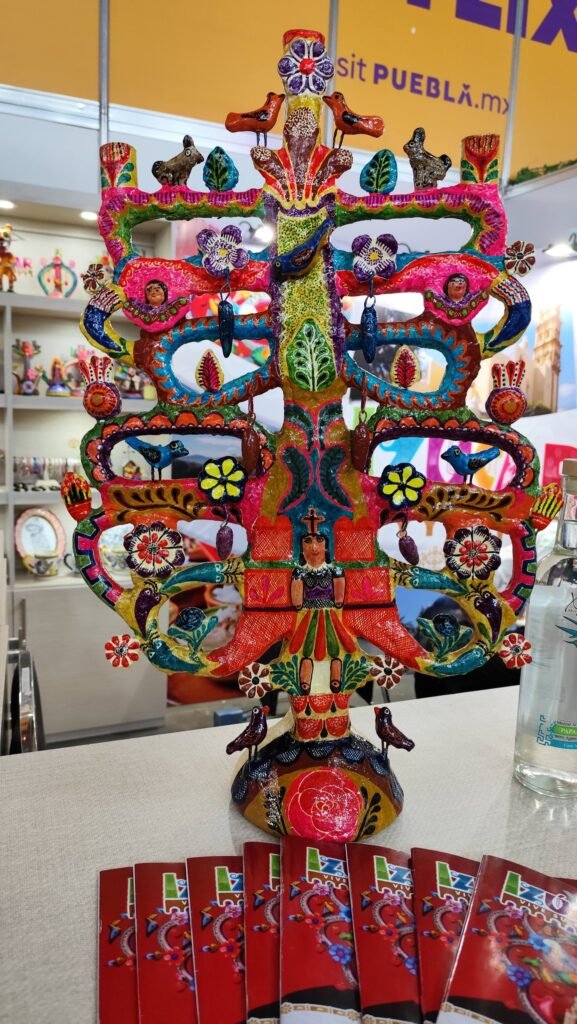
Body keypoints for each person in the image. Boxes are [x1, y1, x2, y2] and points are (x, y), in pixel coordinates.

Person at [290, 509, 345, 695]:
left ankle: (336, 677)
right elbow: (297, 602)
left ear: (326, 546)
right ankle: (305, 680)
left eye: (319, 540)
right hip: (309, 615)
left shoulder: (335, 571)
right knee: (307, 647)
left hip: (329, 615)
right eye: (308, 541)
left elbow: (339, 600)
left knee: (334, 645)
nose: (314, 547)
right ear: (301, 548)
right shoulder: (299, 573)